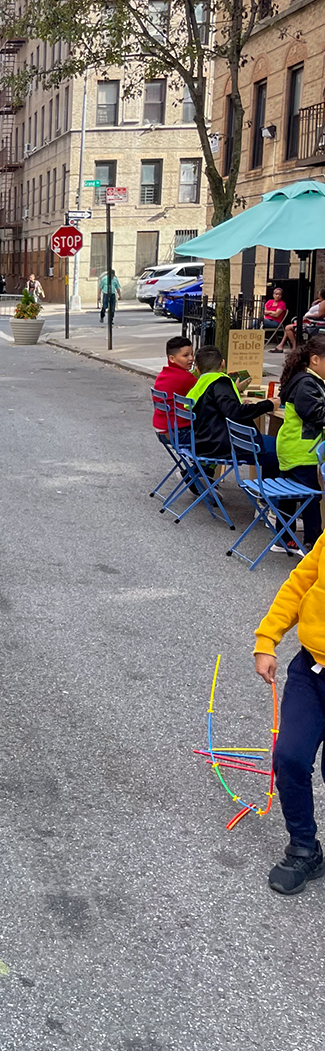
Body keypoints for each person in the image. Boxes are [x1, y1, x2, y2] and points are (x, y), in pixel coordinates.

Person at [253, 539, 325, 894]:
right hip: (310, 672)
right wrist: (267, 639)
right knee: (290, 757)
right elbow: (298, 585)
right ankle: (304, 848)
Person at [186, 345, 279, 480]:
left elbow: (216, 407)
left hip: (203, 440)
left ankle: (198, 475)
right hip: (222, 444)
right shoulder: (220, 383)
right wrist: (269, 404)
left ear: (198, 369)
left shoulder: (202, 384)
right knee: (281, 450)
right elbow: (234, 412)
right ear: (222, 363)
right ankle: (272, 497)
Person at [272, 334, 325, 554]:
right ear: (315, 359)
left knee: (291, 496)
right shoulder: (306, 383)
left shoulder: (305, 378)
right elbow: (315, 414)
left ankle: (284, 538)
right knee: (311, 498)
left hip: (293, 446)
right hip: (302, 449)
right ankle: (313, 544)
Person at [152, 335, 196, 445]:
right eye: (186, 355)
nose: (191, 358)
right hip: (178, 432)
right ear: (172, 358)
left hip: (162, 430)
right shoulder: (186, 378)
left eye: (192, 354)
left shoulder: (164, 375)